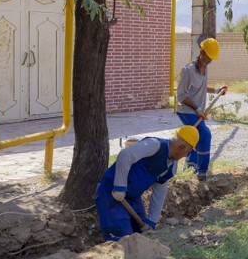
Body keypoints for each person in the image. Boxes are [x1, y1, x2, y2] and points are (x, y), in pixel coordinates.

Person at [95, 126, 199, 241]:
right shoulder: (154, 145)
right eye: (187, 152)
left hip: (132, 199)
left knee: (141, 234)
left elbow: (160, 191)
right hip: (111, 193)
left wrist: (152, 221)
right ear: (182, 147)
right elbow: (125, 155)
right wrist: (120, 186)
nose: (185, 156)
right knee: (123, 238)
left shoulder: (171, 166)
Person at [176, 37, 226, 181]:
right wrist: (197, 108)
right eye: (208, 57)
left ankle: (189, 168)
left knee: (194, 139)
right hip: (186, 111)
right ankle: (202, 172)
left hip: (197, 112)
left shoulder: (205, 69)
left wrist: (217, 90)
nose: (209, 60)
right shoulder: (187, 71)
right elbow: (181, 96)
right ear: (201, 52)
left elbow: (202, 88)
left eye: (211, 59)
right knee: (204, 134)